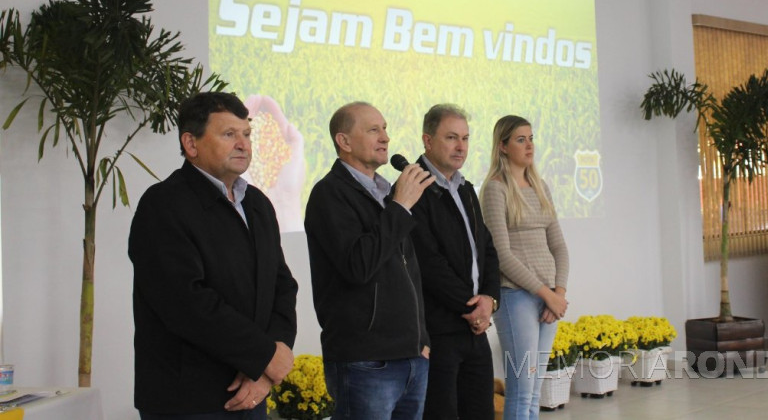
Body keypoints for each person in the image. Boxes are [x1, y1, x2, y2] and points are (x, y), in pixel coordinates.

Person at [129, 91, 298, 419]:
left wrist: (268, 366)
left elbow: (281, 286)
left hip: (253, 390)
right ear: (191, 144)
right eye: (229, 134)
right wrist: (264, 356)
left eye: (247, 134)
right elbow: (186, 304)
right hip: (188, 401)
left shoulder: (258, 204)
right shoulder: (163, 204)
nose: (243, 144)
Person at [305, 102, 435, 420]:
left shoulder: (387, 194)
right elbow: (358, 265)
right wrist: (400, 207)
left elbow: (410, 272)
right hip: (365, 360)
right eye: (373, 129)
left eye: (386, 128)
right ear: (344, 141)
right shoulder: (329, 195)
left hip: (411, 356)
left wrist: (422, 339)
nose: (385, 137)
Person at [410, 104, 500, 420]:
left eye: (465, 138)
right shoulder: (413, 188)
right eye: (451, 137)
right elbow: (428, 263)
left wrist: (490, 300)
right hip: (439, 331)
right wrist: (472, 307)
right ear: (427, 140)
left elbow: (486, 249)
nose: (460, 146)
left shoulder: (465, 188)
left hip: (475, 329)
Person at [480, 115, 569, 420]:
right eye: (520, 139)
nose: (529, 145)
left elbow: (559, 247)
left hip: (547, 299)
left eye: (531, 138)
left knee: (534, 389)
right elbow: (501, 255)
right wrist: (548, 295)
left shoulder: (540, 185)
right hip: (515, 296)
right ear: (503, 146)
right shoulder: (495, 188)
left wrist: (558, 292)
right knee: (521, 388)